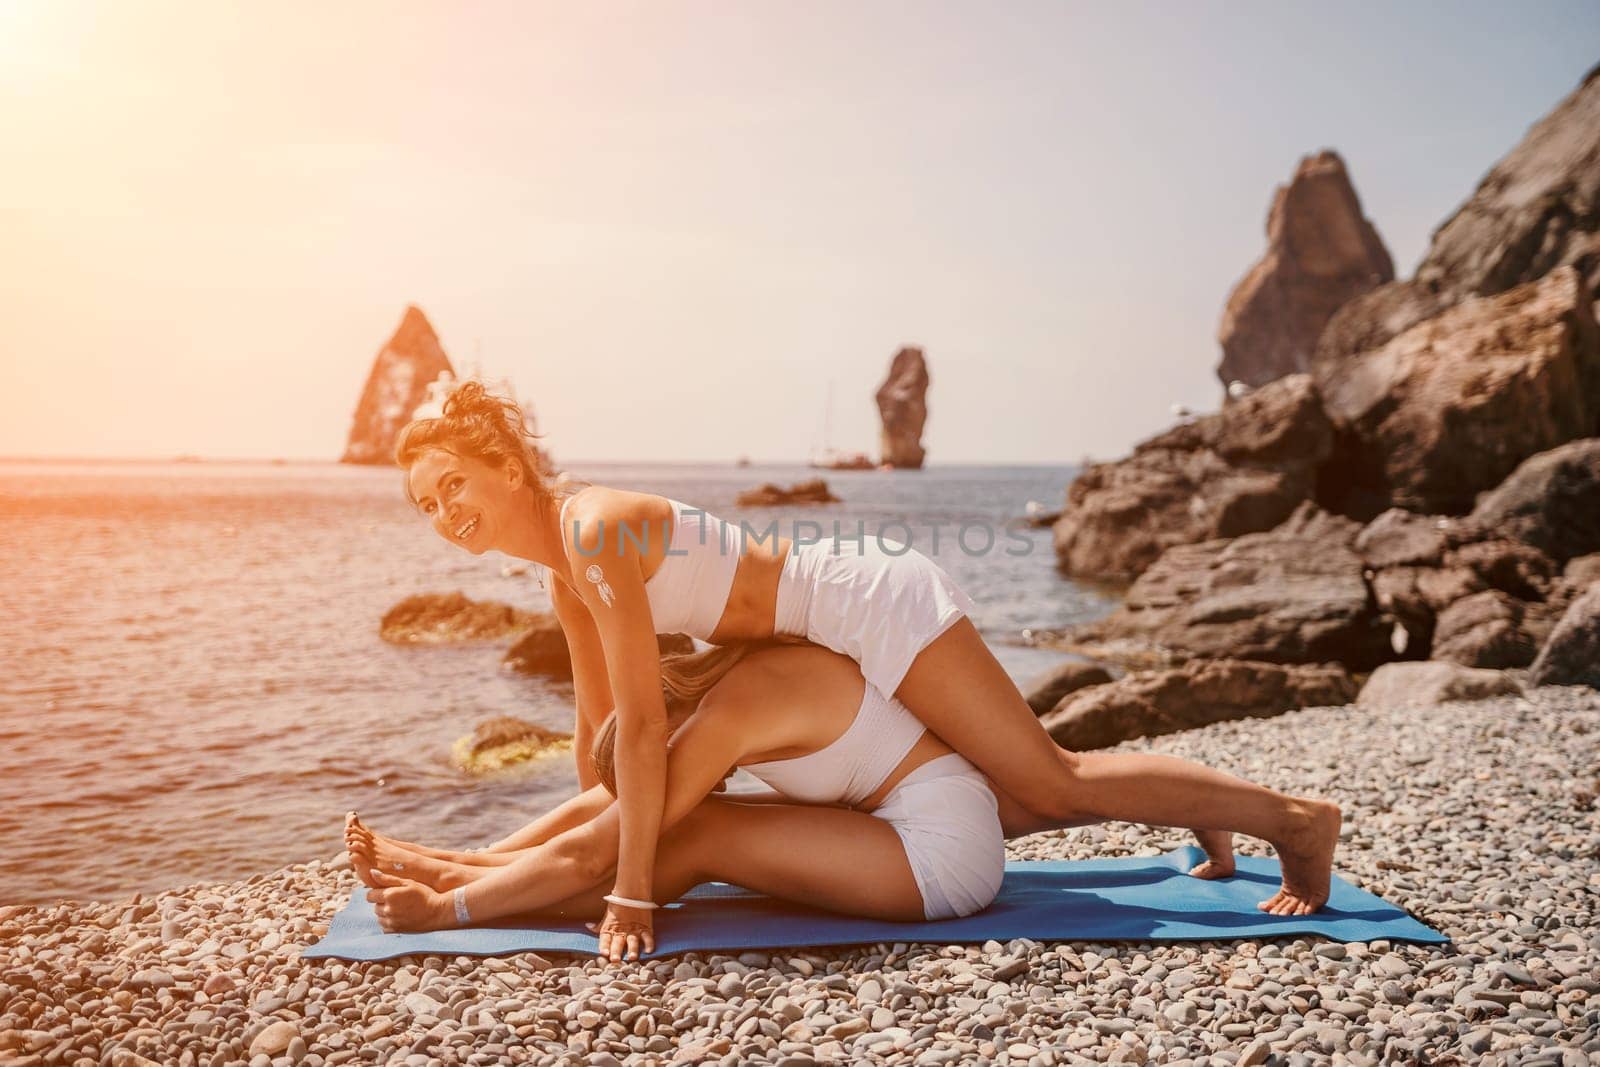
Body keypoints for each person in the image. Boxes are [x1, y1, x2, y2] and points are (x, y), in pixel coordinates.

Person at [393, 381, 1341, 959]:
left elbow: (643, 732)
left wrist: (632, 886)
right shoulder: (566, 571)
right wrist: (483, 857)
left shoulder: (594, 532)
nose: (444, 511)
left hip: (864, 606)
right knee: (999, 794)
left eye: (454, 485)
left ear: (507, 469)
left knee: (1046, 781)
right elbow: (606, 754)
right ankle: (1207, 809)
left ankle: (1295, 820)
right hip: (823, 632)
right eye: (425, 503)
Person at [347, 638, 1291, 932]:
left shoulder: (733, 714)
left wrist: (453, 907)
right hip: (927, 813)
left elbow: (617, 836)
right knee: (662, 828)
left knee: (690, 839)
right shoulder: (722, 691)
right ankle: (462, 865)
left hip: (943, 855)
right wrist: (447, 857)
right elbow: (611, 808)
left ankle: (466, 896)